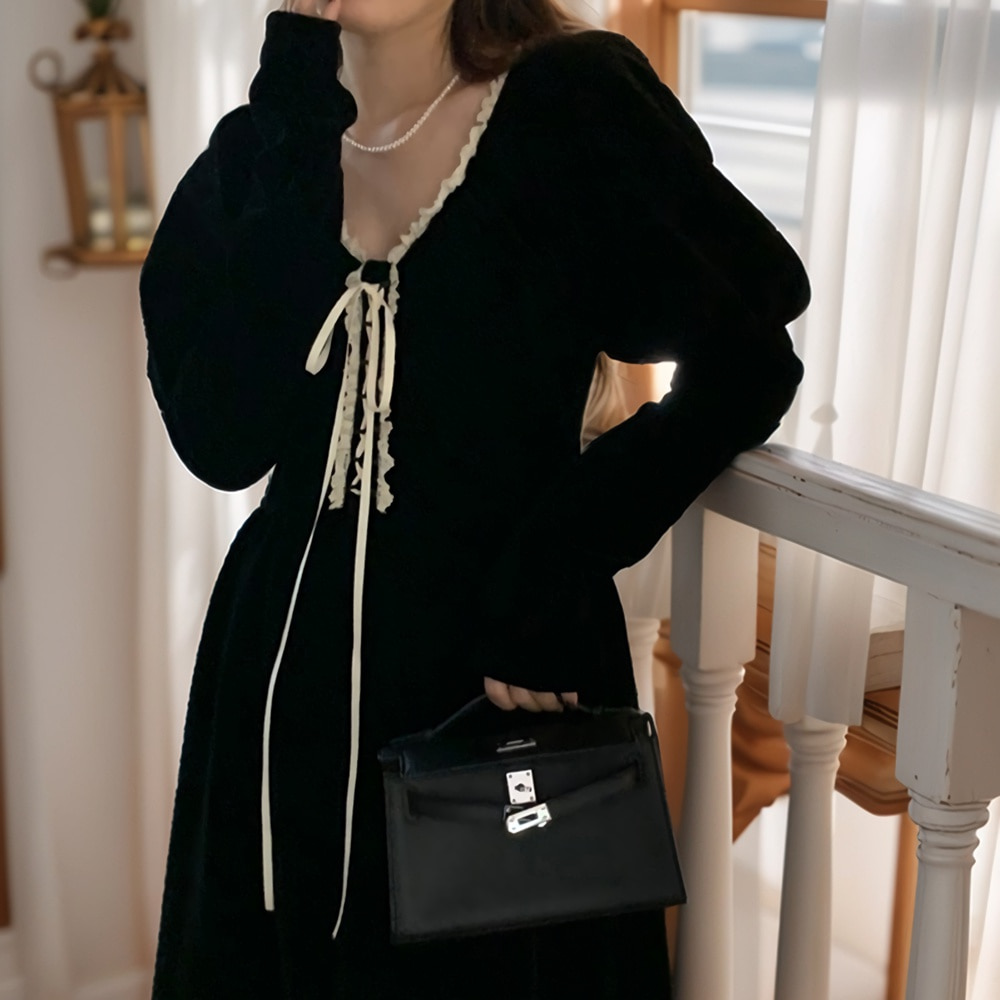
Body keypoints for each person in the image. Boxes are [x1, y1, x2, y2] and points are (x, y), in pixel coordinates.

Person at [137, 0, 810, 995]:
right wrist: (296, 117)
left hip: (498, 681)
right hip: (275, 697)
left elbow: (748, 359)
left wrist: (555, 562)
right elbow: (221, 439)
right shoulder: (266, 149)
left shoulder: (570, 106)